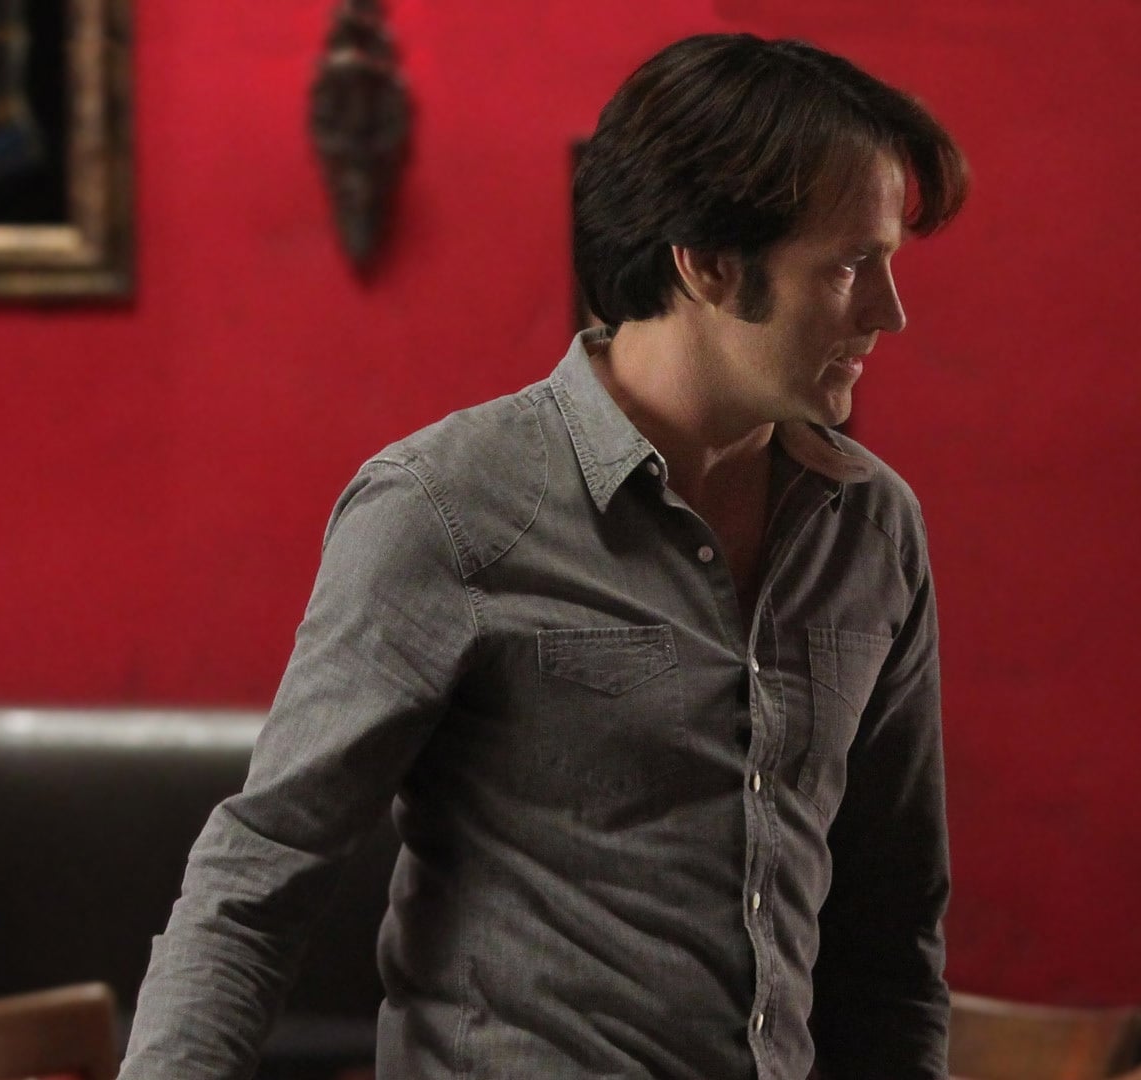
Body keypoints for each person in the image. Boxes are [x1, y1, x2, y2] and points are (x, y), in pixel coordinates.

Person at [119, 33, 968, 1080]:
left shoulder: (872, 529)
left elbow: (890, 936)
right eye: (847, 265)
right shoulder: (447, 508)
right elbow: (259, 879)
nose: (890, 311)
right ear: (706, 260)